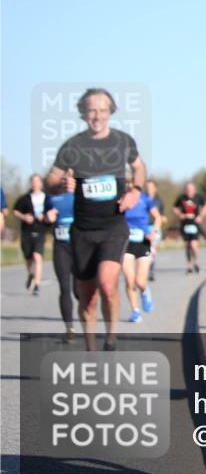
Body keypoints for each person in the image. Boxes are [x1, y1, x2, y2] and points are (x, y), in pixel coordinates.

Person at [44, 87, 147, 352]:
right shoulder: (73, 146)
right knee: (87, 298)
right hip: (83, 230)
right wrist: (60, 184)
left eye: (102, 110)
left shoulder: (123, 141)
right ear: (83, 113)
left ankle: (111, 337)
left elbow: (139, 167)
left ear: (111, 112)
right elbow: (50, 180)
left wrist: (135, 191)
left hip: (113, 225)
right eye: (92, 110)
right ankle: (91, 351)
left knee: (107, 282)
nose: (97, 116)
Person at [122, 188, 162, 322]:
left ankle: (145, 292)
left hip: (143, 241)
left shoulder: (146, 199)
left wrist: (154, 232)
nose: (128, 185)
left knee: (140, 281)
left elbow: (157, 217)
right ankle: (135, 311)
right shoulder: (121, 198)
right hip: (126, 242)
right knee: (129, 279)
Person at [45, 188, 78, 339]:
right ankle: (69, 328)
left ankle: (88, 318)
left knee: (79, 291)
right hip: (61, 247)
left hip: (80, 247)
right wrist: (47, 217)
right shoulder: (51, 196)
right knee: (64, 287)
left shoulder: (81, 193)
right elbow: (45, 220)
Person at [13, 174, 49, 295]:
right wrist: (24, 217)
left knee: (37, 257)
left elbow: (53, 210)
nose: (35, 183)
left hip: (40, 230)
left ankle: (37, 285)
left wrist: (46, 216)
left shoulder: (47, 198)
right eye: (33, 181)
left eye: (37, 181)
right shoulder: (25, 198)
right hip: (26, 231)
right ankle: (30, 274)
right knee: (29, 258)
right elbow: (15, 211)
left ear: (41, 183)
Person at [173, 182, 206, 274]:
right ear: (185, 190)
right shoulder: (181, 198)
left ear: (194, 190)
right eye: (188, 190)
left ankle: (196, 262)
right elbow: (175, 208)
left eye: (191, 190)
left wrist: (201, 216)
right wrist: (180, 214)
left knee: (194, 245)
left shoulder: (198, 197)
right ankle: (189, 265)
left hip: (195, 224)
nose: (189, 192)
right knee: (187, 245)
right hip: (185, 224)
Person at [144, 180, 165, 280]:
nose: (149, 189)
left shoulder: (159, 201)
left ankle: (151, 269)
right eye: (147, 187)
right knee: (144, 250)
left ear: (155, 188)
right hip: (143, 227)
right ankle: (144, 269)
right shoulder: (141, 198)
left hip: (154, 227)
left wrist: (163, 218)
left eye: (151, 187)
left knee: (152, 249)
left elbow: (162, 216)